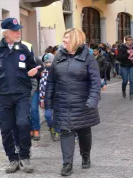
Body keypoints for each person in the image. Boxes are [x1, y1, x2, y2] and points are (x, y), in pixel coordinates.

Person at [0, 18, 40, 174]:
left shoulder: (26, 47)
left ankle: (25, 157)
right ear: (5, 33)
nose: (18, 32)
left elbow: (34, 68)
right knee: (6, 128)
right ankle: (12, 159)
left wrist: (35, 72)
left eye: (19, 29)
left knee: (23, 124)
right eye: (15, 30)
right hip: (3, 95)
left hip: (22, 94)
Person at [45, 28, 101, 176]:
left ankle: (85, 156)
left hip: (83, 103)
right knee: (66, 132)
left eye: (66, 39)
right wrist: (48, 102)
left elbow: (95, 82)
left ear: (75, 39)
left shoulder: (88, 57)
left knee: (84, 132)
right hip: (62, 103)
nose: (63, 41)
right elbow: (51, 81)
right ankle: (67, 164)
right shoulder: (58, 57)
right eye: (63, 39)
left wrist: (92, 100)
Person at [39, 53, 60, 141]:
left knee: (56, 116)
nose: (47, 64)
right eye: (46, 63)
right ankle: (51, 127)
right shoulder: (43, 73)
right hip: (46, 99)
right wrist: (41, 99)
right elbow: (41, 87)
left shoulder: (57, 71)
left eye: (49, 62)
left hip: (56, 99)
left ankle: (57, 131)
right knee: (47, 115)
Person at [117, 35, 133, 100]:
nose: (131, 41)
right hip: (124, 66)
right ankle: (123, 90)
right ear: (126, 41)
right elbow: (119, 58)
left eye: (131, 40)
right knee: (125, 81)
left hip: (131, 66)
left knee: (131, 80)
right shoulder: (122, 48)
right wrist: (127, 53)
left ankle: (131, 93)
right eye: (129, 40)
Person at [30, 56, 43, 141]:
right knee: (26, 110)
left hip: (35, 88)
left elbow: (42, 73)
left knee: (34, 109)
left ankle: (36, 129)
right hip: (23, 88)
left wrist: (34, 73)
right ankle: (30, 128)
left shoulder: (35, 59)